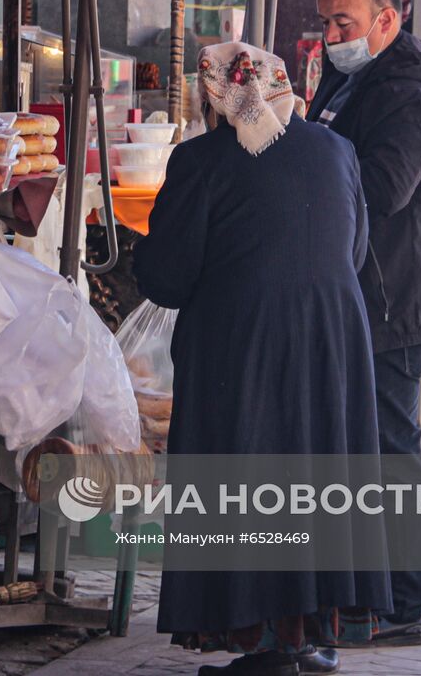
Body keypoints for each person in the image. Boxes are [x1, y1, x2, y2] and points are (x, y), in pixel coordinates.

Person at [135, 42, 391, 676]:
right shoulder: (336, 150)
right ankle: (310, 634)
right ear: (282, 88)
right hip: (332, 339)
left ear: (214, 96)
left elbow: (166, 276)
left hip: (241, 343)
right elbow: (353, 248)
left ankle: (266, 644)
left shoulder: (201, 160)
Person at [307, 0, 421, 648]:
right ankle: (360, 594)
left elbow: (384, 187)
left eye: (345, 21)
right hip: (348, 292)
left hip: (392, 300)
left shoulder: (414, 93)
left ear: (387, 20)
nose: (332, 34)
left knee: (392, 449)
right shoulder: (351, 73)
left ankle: (403, 604)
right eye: (326, 21)